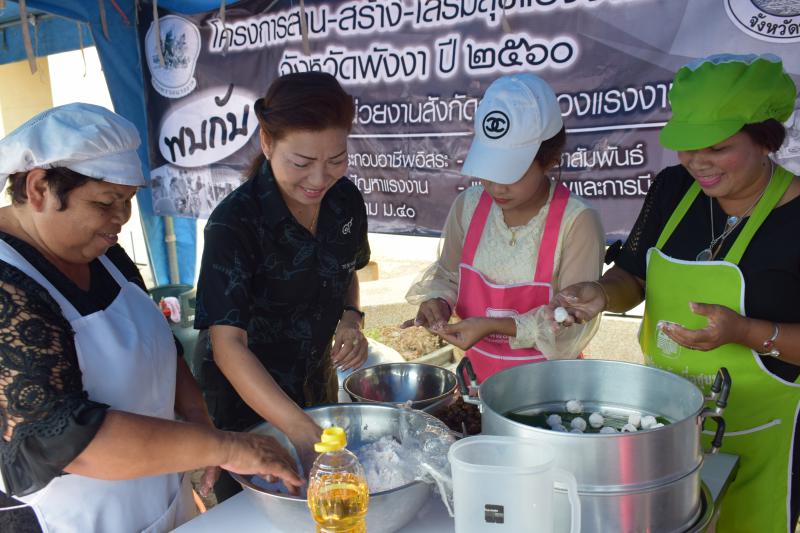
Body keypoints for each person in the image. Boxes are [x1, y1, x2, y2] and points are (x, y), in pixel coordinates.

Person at [0, 103, 303, 532]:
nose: (122, 218)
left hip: (162, 502)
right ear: (38, 189)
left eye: (128, 200)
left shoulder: (104, 255)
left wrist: (198, 418)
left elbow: (157, 343)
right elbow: (67, 440)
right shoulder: (9, 286)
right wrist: (226, 446)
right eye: (106, 202)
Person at [548, 54, 800, 532]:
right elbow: (632, 277)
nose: (697, 162)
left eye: (717, 147)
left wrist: (745, 332)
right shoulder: (672, 189)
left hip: (763, 434)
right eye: (686, 146)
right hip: (662, 427)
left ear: (765, 139)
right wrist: (601, 293)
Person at [194, 72, 370, 500]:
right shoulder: (235, 225)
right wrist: (297, 429)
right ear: (267, 142)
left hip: (315, 384)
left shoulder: (345, 200)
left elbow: (346, 269)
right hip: (248, 407)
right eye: (302, 163)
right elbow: (228, 345)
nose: (319, 179)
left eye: (336, 159)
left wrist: (351, 319)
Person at [405, 73, 605, 383]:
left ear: (550, 159)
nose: (497, 186)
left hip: (548, 388)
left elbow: (571, 325)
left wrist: (494, 326)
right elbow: (448, 275)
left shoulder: (577, 222)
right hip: (477, 381)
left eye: (512, 172)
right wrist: (438, 302)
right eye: (489, 169)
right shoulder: (469, 206)